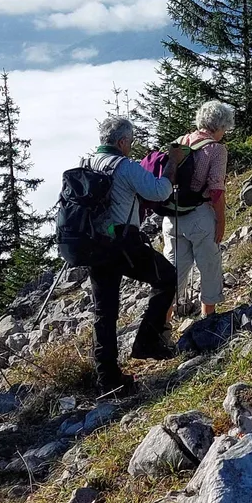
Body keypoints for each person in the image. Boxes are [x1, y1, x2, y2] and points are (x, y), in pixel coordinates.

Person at [84, 115, 182, 391]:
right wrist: (172, 162)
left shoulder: (87, 164)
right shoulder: (125, 166)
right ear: (122, 141)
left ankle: (107, 377)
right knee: (167, 277)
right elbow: (160, 191)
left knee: (104, 311)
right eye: (131, 141)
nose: (131, 146)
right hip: (123, 243)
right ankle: (146, 343)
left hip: (94, 245)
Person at [161, 99, 235, 322]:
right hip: (198, 215)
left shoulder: (179, 142)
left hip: (171, 216)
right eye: (225, 128)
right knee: (209, 265)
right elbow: (216, 190)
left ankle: (163, 323)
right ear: (219, 126)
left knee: (173, 271)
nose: (225, 132)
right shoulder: (216, 149)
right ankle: (208, 317)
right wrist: (221, 221)